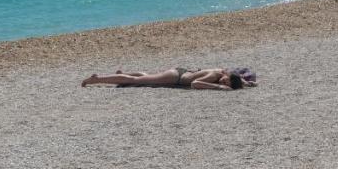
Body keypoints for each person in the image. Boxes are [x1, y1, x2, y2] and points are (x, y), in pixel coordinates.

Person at [82, 68, 256, 91]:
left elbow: (235, 76)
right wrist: (218, 88)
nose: (223, 83)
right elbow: (195, 84)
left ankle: (123, 73)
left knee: (144, 78)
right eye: (225, 82)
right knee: (142, 81)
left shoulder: (223, 71)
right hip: (177, 77)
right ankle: (97, 79)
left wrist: (248, 83)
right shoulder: (214, 76)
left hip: (178, 77)